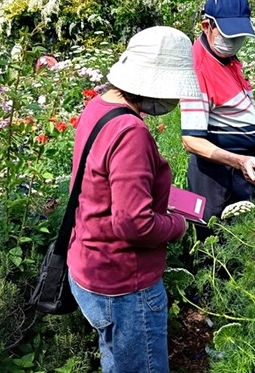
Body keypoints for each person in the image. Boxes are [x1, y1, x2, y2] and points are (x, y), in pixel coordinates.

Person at [67, 26, 201, 373]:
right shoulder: (132, 133)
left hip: (90, 263)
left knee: (117, 361)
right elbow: (132, 223)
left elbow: (105, 189)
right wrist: (176, 225)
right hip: (125, 284)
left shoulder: (98, 107)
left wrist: (156, 198)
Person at [180, 0, 255, 241]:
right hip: (215, 174)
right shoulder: (198, 69)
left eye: (239, 36)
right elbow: (191, 141)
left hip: (241, 167)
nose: (234, 43)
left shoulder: (226, 57)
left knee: (244, 233)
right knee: (214, 240)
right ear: (206, 25)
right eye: (228, 36)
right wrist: (239, 161)